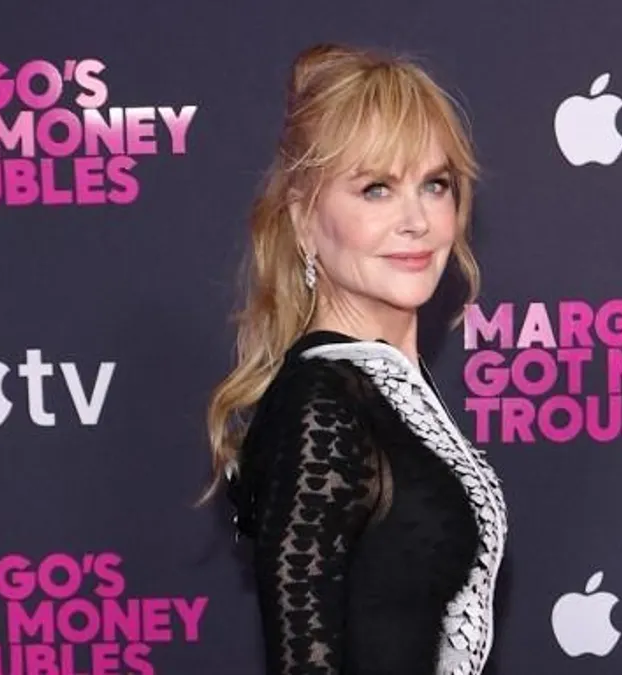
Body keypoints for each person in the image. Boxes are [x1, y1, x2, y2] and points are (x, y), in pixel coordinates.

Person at [201, 43, 508, 675]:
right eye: (376, 189)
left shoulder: (384, 384)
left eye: (435, 185)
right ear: (304, 221)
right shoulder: (322, 406)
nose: (416, 220)